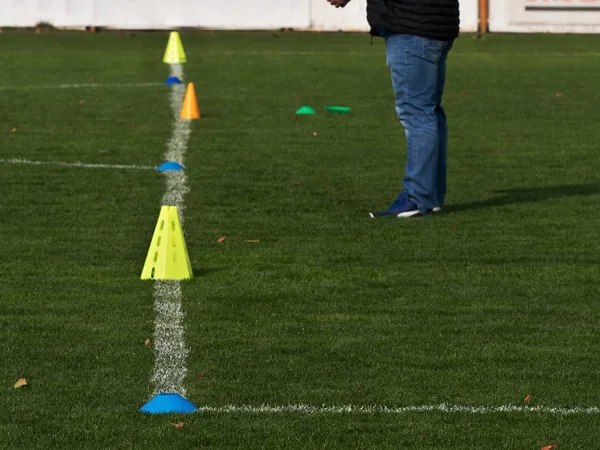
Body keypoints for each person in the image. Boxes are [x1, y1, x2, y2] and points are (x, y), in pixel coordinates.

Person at [326, 0, 460, 218]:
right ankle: (430, 195)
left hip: (412, 25)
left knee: (417, 113)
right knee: (430, 111)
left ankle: (417, 197)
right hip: (437, 23)